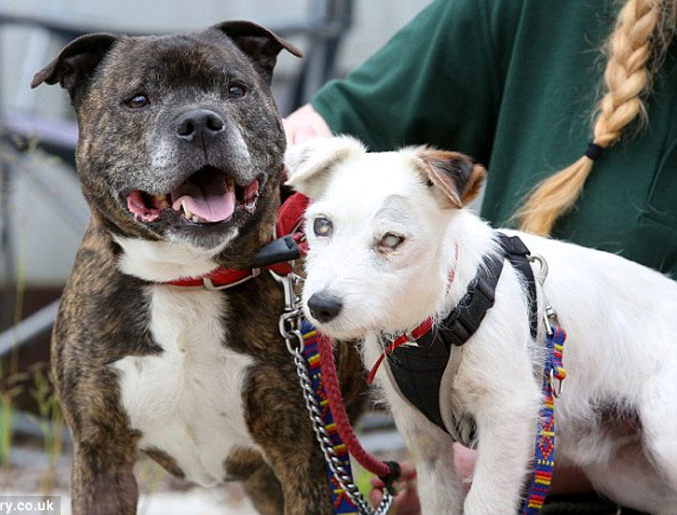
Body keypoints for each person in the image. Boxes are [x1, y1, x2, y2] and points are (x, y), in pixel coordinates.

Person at [284, 0, 676, 510]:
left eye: (390, 242)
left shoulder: (479, 289)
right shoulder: (518, 13)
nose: (330, 287)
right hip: (596, 461)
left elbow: (512, 412)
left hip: (654, 353)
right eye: (322, 228)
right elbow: (311, 132)